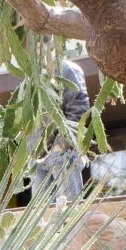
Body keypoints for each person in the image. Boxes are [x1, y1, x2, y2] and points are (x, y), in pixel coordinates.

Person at [32, 57, 90, 203]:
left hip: (60, 152)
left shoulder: (66, 68)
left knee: (69, 212)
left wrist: (62, 143)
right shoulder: (32, 74)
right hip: (38, 157)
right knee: (40, 219)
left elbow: (79, 106)